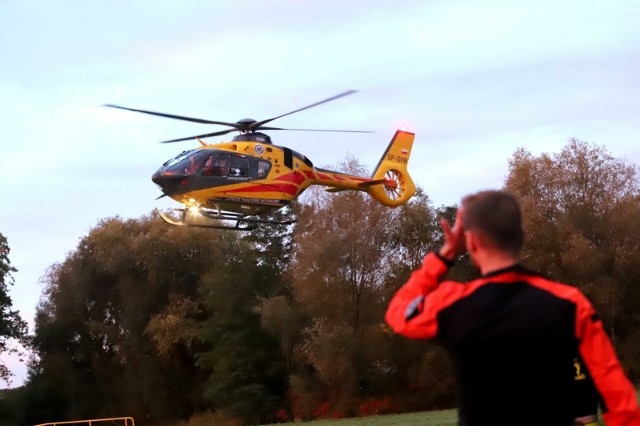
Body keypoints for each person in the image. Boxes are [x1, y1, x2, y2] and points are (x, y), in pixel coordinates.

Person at [385, 190, 640, 426]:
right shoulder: (570, 303)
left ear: (471, 242)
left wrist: (446, 255)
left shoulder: (452, 304)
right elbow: (617, 397)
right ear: (521, 238)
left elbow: (399, 312)